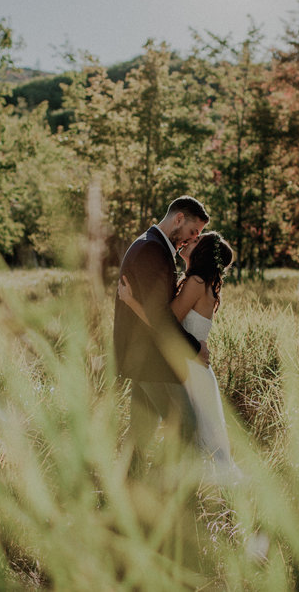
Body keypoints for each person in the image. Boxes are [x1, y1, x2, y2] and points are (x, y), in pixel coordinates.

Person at [119, 231, 240, 481]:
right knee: (164, 428)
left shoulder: (195, 282)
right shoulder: (197, 281)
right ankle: (148, 482)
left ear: (202, 252)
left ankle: (161, 482)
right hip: (190, 366)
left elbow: (163, 322)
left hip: (187, 368)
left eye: (196, 241)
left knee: (188, 430)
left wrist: (130, 301)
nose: (188, 241)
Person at [113, 196, 209, 471]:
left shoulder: (151, 245)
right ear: (179, 218)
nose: (191, 239)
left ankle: (130, 495)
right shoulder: (151, 251)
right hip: (151, 359)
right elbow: (158, 316)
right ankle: (177, 502)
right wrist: (194, 347)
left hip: (143, 357)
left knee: (139, 437)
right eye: (193, 231)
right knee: (186, 428)